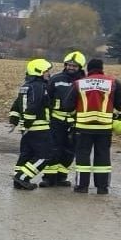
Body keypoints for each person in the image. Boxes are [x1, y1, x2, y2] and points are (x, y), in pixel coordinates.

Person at [70, 57, 121, 194]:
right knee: (102, 156)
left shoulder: (79, 83)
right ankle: (102, 188)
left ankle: (82, 186)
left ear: (88, 69)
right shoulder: (113, 83)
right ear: (102, 68)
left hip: (83, 127)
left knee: (82, 155)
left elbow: (67, 105)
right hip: (104, 127)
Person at [9, 58, 53, 191]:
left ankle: (19, 179)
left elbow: (16, 105)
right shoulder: (39, 86)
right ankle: (22, 177)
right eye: (46, 71)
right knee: (45, 156)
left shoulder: (25, 86)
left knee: (26, 155)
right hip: (39, 127)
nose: (49, 74)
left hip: (27, 129)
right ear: (39, 72)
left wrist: (14, 122)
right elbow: (33, 106)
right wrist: (28, 123)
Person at [43, 51, 86, 187]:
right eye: (69, 65)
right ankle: (49, 177)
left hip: (75, 122)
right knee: (54, 149)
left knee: (69, 150)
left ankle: (61, 176)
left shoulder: (84, 82)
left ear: (80, 67)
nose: (71, 68)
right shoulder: (56, 79)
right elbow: (46, 99)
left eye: (74, 66)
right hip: (56, 120)